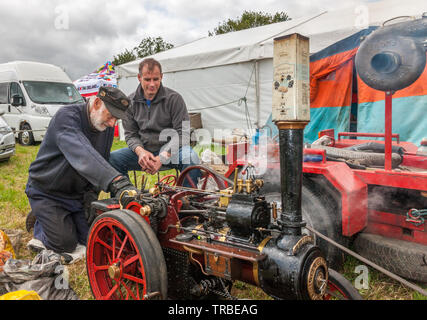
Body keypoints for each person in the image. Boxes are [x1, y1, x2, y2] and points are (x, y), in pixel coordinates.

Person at [25, 86, 137, 264]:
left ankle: (55, 218)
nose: (112, 124)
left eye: (117, 119)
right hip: (47, 192)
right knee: (64, 243)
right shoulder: (66, 117)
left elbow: (101, 159)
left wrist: (90, 197)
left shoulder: (104, 127)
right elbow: (83, 154)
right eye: (111, 116)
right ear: (97, 103)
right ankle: (40, 220)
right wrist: (116, 181)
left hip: (76, 195)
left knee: (95, 237)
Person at [109, 58, 201, 186]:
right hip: (144, 152)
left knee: (191, 158)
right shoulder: (130, 103)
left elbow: (183, 133)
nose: (152, 84)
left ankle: (185, 200)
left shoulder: (174, 99)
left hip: (171, 151)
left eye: (156, 79)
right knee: (112, 159)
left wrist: (162, 157)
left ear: (161, 77)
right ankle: (128, 195)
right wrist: (140, 152)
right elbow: (130, 134)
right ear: (139, 77)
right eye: (147, 79)